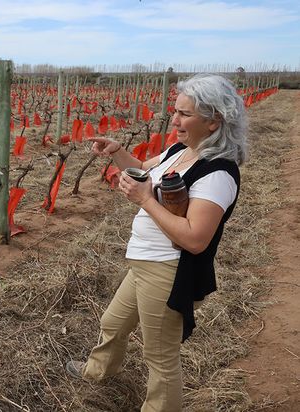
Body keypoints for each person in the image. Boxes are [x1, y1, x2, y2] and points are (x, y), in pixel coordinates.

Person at [66, 73, 248, 412]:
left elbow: (195, 239)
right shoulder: (180, 150)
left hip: (169, 271)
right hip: (144, 264)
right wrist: (117, 152)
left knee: (160, 357)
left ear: (213, 121)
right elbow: (141, 168)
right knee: (113, 323)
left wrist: (145, 200)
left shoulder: (217, 173)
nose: (174, 120)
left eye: (184, 114)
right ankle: (97, 372)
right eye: (175, 111)